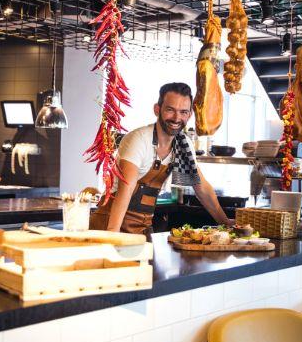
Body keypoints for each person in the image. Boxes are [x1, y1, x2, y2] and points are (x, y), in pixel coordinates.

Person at [89, 82, 235, 235]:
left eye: (183, 112)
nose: (177, 118)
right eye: (170, 110)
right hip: (108, 224)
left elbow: (202, 188)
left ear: (190, 114)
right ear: (157, 109)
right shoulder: (138, 140)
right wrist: (113, 235)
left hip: (141, 228)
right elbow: (126, 189)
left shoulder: (183, 145)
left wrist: (225, 222)